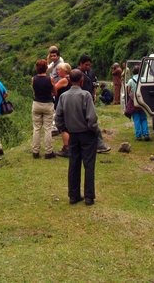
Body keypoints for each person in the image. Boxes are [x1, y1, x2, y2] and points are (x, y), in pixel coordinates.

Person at [55, 69, 101, 206]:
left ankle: (73, 196)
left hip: (72, 134)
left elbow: (58, 117)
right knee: (89, 164)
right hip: (86, 133)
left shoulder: (63, 97)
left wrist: (64, 128)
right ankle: (89, 196)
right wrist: (95, 130)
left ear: (69, 80)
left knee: (73, 164)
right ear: (81, 81)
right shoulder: (85, 95)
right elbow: (92, 118)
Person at [76, 54, 111, 153]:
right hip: (79, 102)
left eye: (89, 65)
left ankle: (99, 145)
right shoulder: (76, 73)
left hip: (90, 100)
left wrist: (95, 95)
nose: (87, 67)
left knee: (92, 122)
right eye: (86, 65)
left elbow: (94, 83)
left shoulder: (90, 72)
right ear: (81, 64)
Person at [31, 59, 57, 159]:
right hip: (48, 104)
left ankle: (35, 151)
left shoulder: (33, 79)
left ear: (37, 68)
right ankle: (48, 151)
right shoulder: (50, 79)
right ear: (46, 68)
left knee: (37, 128)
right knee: (47, 128)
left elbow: (35, 90)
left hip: (37, 103)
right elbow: (55, 92)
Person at [54, 63, 73, 157]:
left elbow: (54, 90)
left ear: (64, 71)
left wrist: (51, 82)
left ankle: (67, 148)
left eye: (59, 70)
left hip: (62, 105)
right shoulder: (71, 79)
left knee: (63, 127)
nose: (57, 72)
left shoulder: (64, 80)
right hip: (70, 104)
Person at [127, 65, 150, 141]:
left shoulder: (130, 81)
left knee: (136, 120)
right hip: (143, 101)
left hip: (134, 101)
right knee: (144, 119)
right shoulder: (144, 79)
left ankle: (138, 136)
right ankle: (146, 134)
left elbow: (129, 91)